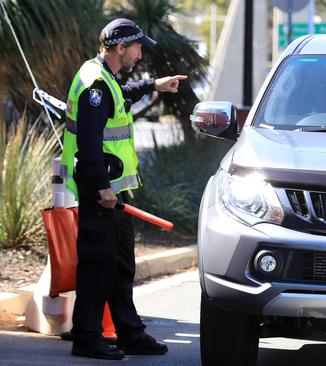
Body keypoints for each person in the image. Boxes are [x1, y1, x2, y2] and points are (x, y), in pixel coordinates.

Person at [60, 18, 187, 360]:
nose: (141, 51)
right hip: (100, 192)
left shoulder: (104, 79)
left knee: (119, 266)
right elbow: (88, 144)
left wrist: (154, 84)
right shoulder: (94, 86)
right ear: (120, 48)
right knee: (97, 265)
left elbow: (121, 96)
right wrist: (101, 188)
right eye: (137, 46)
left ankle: (130, 333)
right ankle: (86, 337)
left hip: (114, 194)